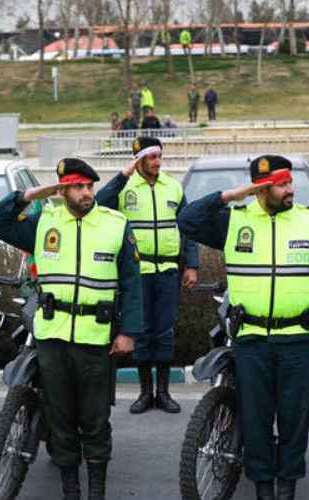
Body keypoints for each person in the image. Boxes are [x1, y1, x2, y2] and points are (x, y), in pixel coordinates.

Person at [177, 155, 309, 500]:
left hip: (297, 340)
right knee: (256, 421)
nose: (290, 189)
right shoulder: (234, 221)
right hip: (251, 340)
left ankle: (287, 488)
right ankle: (263, 488)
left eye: (289, 182)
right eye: (281, 184)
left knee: (294, 420)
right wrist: (230, 195)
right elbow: (187, 220)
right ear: (261, 188)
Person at [0, 158, 142, 500]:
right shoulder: (44, 221)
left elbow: (132, 283)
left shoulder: (115, 224)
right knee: (60, 419)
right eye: (77, 186)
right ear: (62, 190)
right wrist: (32, 194)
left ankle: (96, 489)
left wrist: (128, 332)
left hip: (95, 337)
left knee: (95, 419)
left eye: (89, 186)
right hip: (52, 336)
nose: (86, 193)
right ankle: (70, 489)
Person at [96, 137, 198, 415]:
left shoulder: (173, 187)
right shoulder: (125, 187)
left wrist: (191, 265)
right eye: (152, 157)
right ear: (138, 160)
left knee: (164, 331)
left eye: (159, 157)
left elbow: (188, 226)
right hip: (137, 273)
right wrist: (122, 176)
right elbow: (98, 203)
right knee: (140, 331)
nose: (157, 162)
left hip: (167, 271)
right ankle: (144, 393)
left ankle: (163, 392)